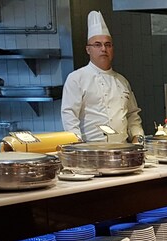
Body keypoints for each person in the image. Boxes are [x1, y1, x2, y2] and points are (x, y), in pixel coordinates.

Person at [61, 11, 144, 143]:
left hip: (123, 148)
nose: (103, 49)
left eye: (108, 44)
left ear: (112, 49)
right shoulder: (76, 78)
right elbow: (69, 115)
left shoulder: (122, 81)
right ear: (88, 49)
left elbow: (132, 115)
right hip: (91, 149)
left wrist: (137, 137)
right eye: (97, 44)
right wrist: (78, 145)